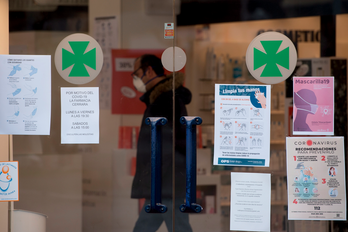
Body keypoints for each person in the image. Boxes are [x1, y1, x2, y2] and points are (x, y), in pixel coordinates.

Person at [130, 54, 193, 232]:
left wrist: (152, 179)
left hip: (166, 185)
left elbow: (166, 146)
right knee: (143, 228)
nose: (134, 78)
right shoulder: (161, 99)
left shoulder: (165, 101)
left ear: (149, 71)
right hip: (164, 185)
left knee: (178, 227)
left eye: (136, 73)